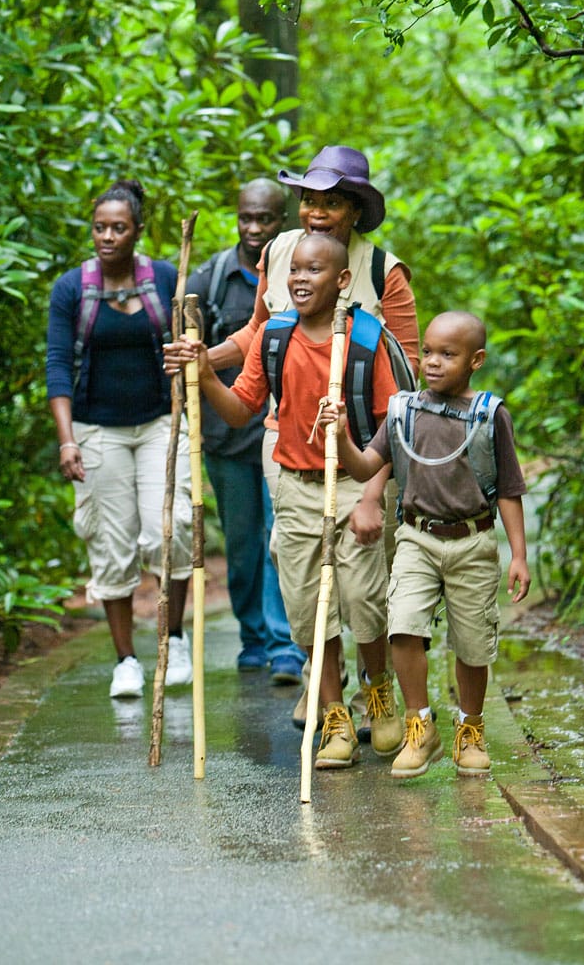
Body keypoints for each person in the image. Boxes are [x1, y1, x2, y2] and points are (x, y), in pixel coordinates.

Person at [171, 233, 405, 770]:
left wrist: (371, 498)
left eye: (315, 271)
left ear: (342, 281)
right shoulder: (274, 337)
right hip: (296, 486)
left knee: (365, 602)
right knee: (307, 610)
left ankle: (378, 694)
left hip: (351, 482)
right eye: (295, 270)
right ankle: (334, 715)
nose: (300, 279)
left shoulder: (366, 339)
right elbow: (239, 411)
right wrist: (206, 374)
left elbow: (392, 426)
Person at [320, 310, 530, 778]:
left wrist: (518, 555)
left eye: (448, 355)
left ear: (476, 360)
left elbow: (510, 490)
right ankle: (420, 724)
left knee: (473, 646)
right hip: (416, 536)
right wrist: (340, 436)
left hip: (472, 542)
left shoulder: (490, 416)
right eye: (428, 352)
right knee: (404, 626)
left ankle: (470, 729)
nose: (433, 363)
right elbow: (364, 466)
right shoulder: (402, 410)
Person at [46, 179, 194, 700]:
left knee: (170, 528)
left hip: (159, 424)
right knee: (111, 545)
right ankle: (126, 660)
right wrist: (67, 441)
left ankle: (173, 641)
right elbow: (58, 366)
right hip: (95, 431)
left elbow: (192, 346)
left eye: (118, 228)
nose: (107, 237)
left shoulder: (165, 280)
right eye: (100, 228)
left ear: (137, 232)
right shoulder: (72, 289)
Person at [187, 179, 306, 682]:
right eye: (247, 218)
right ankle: (252, 637)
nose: (255, 228)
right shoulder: (209, 278)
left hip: (280, 431)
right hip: (225, 434)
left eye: (267, 219)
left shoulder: (297, 271)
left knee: (278, 537)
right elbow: (191, 351)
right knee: (241, 545)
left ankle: (284, 645)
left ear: (284, 221)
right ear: (236, 216)